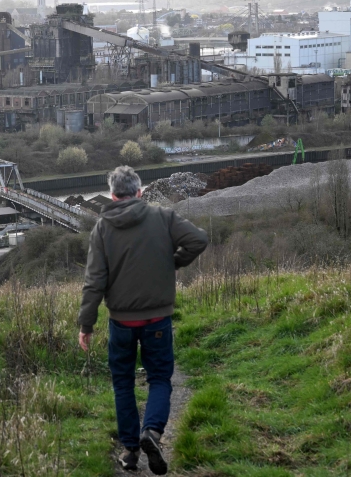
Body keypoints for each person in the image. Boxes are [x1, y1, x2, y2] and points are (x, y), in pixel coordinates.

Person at [79, 165, 209, 474]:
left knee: (123, 383)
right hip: (157, 320)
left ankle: (130, 452)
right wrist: (172, 263)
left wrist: (86, 325)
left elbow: (94, 281)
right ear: (140, 192)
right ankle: (151, 432)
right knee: (160, 379)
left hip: (121, 322)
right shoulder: (163, 217)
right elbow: (199, 240)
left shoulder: (102, 227)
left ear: (113, 195)